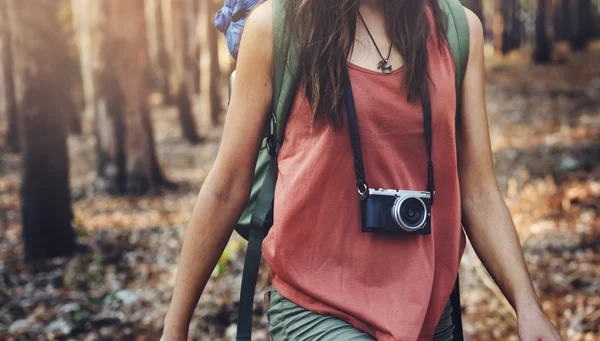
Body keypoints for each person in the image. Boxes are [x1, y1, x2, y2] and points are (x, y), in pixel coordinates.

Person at [161, 0, 565, 340]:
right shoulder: (277, 27)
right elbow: (225, 187)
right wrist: (174, 329)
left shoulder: (459, 31)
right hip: (315, 307)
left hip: (429, 310)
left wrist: (526, 307)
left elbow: (478, 191)